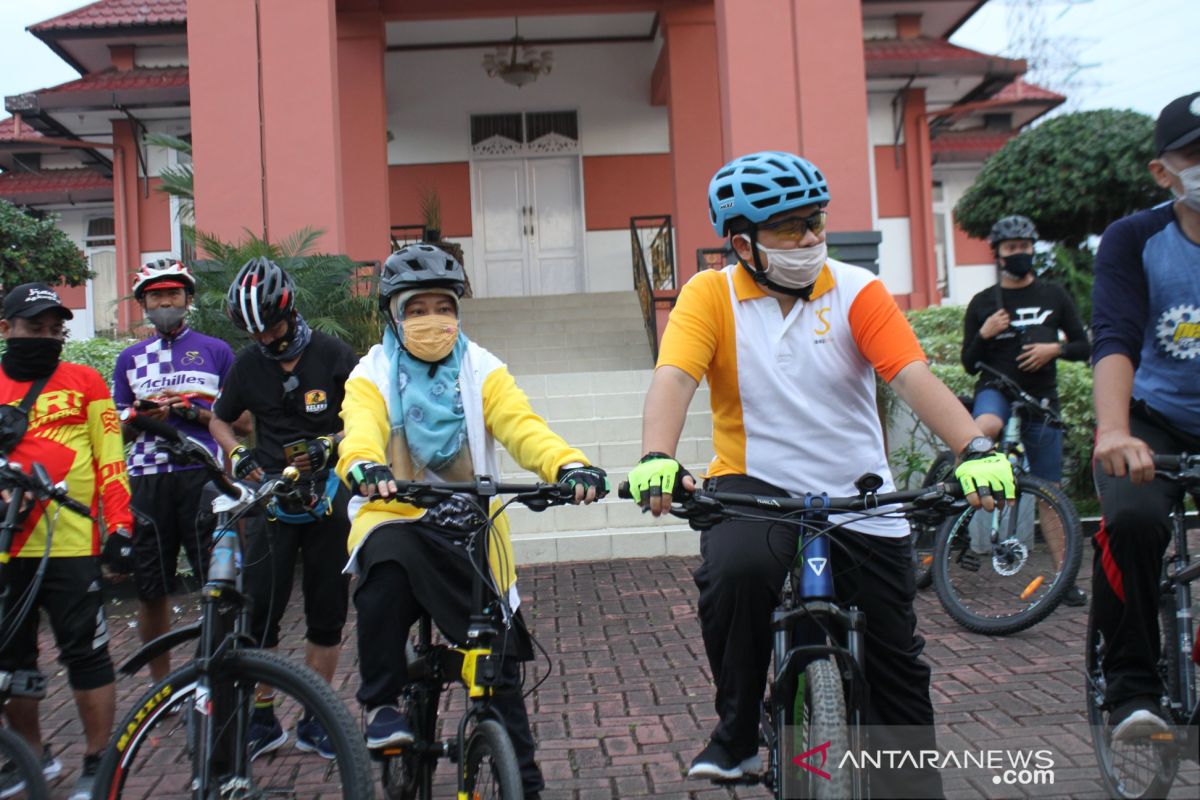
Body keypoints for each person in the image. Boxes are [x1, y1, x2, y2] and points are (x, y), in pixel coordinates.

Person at [626, 151, 1015, 797]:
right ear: (743, 242)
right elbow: (674, 377)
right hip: (756, 486)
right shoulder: (711, 294)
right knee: (737, 577)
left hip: (860, 490)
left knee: (897, 663)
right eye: (790, 228)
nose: (810, 239)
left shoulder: (858, 289)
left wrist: (975, 448)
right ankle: (738, 736)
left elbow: (911, 375)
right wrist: (656, 458)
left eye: (816, 223)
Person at [335, 244, 609, 800]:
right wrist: (363, 463)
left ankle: (522, 783)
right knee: (384, 566)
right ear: (393, 314)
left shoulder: (482, 368)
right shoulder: (373, 372)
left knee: (500, 672)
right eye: (416, 309)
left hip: (469, 527)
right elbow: (360, 426)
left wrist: (568, 464)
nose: (431, 319)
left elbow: (521, 426)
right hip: (398, 512)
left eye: (443, 306)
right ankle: (383, 706)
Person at [210, 257, 357, 760]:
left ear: (289, 310)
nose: (266, 340)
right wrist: (236, 451)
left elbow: (369, 417)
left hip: (327, 497)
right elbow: (219, 420)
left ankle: (317, 719)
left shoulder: (334, 354)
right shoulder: (248, 365)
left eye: (271, 327)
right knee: (259, 614)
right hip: (269, 499)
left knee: (327, 612)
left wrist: (332, 444)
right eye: (255, 332)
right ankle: (263, 718)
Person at [1090, 91, 1200, 742]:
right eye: (1196, 154)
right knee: (1130, 521)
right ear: (1163, 171)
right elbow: (1115, 337)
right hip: (1151, 419)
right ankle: (1131, 685)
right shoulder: (1135, 238)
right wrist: (1115, 432)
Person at [0, 283, 132, 799]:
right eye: (35, 328)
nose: (47, 338)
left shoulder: (86, 382)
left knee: (88, 654)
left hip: (73, 542)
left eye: (56, 330)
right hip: (8, 547)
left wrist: (120, 529)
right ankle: (34, 756)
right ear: (6, 328)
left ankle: (99, 759)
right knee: (11, 660)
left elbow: (111, 461)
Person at [111, 260, 243, 683]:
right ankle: (162, 685)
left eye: (172, 294)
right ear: (143, 305)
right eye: (155, 296)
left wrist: (193, 411)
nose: (164, 302)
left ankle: (215, 676)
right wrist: (143, 416)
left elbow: (244, 424)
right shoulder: (129, 359)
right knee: (151, 589)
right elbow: (118, 432)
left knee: (217, 583)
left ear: (188, 299)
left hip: (202, 475)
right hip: (147, 478)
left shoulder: (216, 351)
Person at [960, 215, 1091, 606]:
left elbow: (1084, 346)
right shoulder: (984, 302)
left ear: (1033, 249)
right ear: (998, 253)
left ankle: (1065, 579)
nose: (1019, 253)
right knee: (985, 426)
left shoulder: (1054, 296)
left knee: (1051, 492)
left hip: (1041, 397)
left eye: (1025, 247)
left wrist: (1056, 349)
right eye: (1011, 248)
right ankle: (960, 482)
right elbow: (969, 362)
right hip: (995, 388)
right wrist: (984, 334)